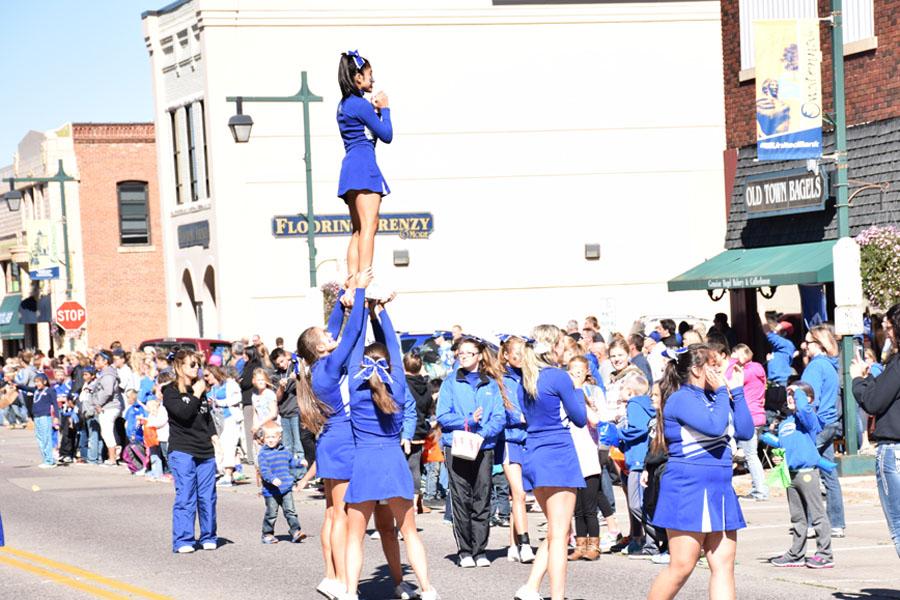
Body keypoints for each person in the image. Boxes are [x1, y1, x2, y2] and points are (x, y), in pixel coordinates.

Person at [343, 301, 438, 600]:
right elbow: (394, 346)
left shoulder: (357, 389)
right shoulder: (398, 384)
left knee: (355, 536)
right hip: (393, 461)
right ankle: (426, 588)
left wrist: (358, 307)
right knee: (409, 532)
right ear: (389, 364)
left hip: (365, 462)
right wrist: (380, 312)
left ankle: (348, 591)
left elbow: (355, 341)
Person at [647, 345, 753, 600]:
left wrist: (736, 391)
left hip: (720, 488)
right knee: (682, 566)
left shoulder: (715, 397)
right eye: (713, 364)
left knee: (724, 566)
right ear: (696, 369)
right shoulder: (681, 398)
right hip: (688, 488)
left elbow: (746, 432)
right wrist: (720, 393)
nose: (720, 369)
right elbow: (715, 427)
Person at [296, 269, 371, 600]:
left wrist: (344, 295)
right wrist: (362, 295)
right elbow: (352, 333)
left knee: (330, 511)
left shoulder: (315, 367)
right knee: (340, 513)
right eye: (325, 336)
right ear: (319, 347)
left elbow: (338, 327)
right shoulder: (327, 366)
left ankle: (330, 575)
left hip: (330, 440)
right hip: (342, 440)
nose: (330, 335)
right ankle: (341, 578)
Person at [514, 325, 587, 600]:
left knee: (557, 529)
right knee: (560, 535)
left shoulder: (526, 377)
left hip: (534, 452)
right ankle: (557, 596)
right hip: (558, 454)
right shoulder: (558, 377)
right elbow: (579, 418)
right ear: (554, 347)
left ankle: (531, 587)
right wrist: (578, 389)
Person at [437, 337, 507, 568]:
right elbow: (443, 416)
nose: (464, 356)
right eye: (461, 353)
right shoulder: (450, 382)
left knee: (482, 497)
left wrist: (483, 433)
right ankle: (465, 550)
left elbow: (499, 417)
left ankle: (480, 550)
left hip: (483, 447)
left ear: (479, 356)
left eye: (469, 353)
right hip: (456, 446)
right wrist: (467, 421)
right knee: (460, 498)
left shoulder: (491, 384)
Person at [760, 382, 834, 568]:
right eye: (789, 394)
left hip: (807, 473)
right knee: (797, 518)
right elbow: (786, 447)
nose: (791, 397)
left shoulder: (809, 421)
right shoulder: (785, 423)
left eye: (795, 395)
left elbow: (805, 411)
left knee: (817, 515)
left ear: (807, 399)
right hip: (790, 474)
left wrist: (798, 393)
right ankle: (797, 554)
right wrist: (779, 459)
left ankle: (825, 554)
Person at [337, 51, 393, 282]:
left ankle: (352, 278)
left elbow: (368, 134)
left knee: (358, 230)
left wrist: (375, 113)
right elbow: (386, 135)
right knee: (370, 226)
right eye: (369, 75)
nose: (372, 80)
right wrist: (386, 109)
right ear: (357, 77)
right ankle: (364, 280)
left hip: (350, 168)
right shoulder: (360, 105)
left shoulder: (345, 105)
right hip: (364, 167)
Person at [851, 304, 900, 558]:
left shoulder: (898, 363)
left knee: (899, 528)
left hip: (894, 450)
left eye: (889, 327)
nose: (885, 332)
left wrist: (857, 379)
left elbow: (873, 402)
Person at [162, 349, 216, 554]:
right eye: (192, 365)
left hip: (205, 450)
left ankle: (208, 535)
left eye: (198, 365)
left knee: (207, 496)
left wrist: (215, 438)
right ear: (179, 367)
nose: (197, 369)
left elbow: (206, 417)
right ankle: (183, 539)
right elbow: (184, 414)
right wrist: (197, 393)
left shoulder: (200, 390)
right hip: (183, 449)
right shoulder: (170, 391)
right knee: (186, 495)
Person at [801, 324, 846, 537]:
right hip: (830, 422)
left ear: (818, 345)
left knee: (805, 471)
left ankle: (812, 523)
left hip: (817, 424)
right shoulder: (830, 365)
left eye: (808, 342)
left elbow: (809, 399)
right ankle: (836, 523)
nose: (804, 346)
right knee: (829, 473)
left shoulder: (815, 367)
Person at [498, 336, 534, 564]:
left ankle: (512, 543)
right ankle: (526, 543)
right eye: (516, 354)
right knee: (519, 493)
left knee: (518, 496)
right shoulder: (500, 379)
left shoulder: (530, 376)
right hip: (510, 439)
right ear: (506, 355)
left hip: (528, 438)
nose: (520, 358)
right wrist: (523, 417)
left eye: (523, 353)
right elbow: (504, 409)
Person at [617, 371, 660, 558]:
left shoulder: (634, 404)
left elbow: (638, 429)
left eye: (622, 387)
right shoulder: (646, 405)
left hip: (638, 460)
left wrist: (618, 433)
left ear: (630, 391)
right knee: (643, 503)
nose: (619, 391)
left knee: (636, 504)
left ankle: (657, 538)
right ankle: (653, 543)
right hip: (641, 458)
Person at [565, 356, 603, 562]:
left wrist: (584, 401)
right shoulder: (566, 402)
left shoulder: (588, 398)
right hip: (573, 461)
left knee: (589, 508)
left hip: (588, 461)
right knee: (577, 508)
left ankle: (594, 545)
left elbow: (596, 420)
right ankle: (580, 544)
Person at [731, 344, 769, 501]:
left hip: (749, 417)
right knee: (750, 454)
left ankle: (760, 490)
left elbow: (730, 380)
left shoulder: (747, 371)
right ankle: (759, 489)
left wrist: (732, 363)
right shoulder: (758, 369)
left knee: (750, 455)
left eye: (734, 354)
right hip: (758, 415)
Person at [257, 423, 305, 544]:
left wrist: (300, 462)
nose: (271, 440)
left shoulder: (285, 451)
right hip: (271, 490)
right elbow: (264, 471)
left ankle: (296, 532)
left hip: (286, 487)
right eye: (268, 437)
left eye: (273, 437)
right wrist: (272, 479)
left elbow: (291, 462)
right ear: (263, 439)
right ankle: (267, 534)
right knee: (271, 514)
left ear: (279, 438)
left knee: (290, 511)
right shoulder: (263, 454)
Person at [404, 350, 433, 514]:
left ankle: (405, 500)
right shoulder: (426, 386)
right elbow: (428, 407)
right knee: (416, 469)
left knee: (403, 467)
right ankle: (415, 503)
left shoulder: (403, 384)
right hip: (421, 429)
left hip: (405, 431)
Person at [205, 365, 243, 486]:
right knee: (220, 446)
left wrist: (218, 402)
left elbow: (237, 398)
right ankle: (226, 474)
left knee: (229, 446)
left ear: (214, 372)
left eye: (207, 375)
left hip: (230, 418)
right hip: (218, 421)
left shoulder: (229, 384)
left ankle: (228, 474)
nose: (206, 378)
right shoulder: (211, 389)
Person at [273, 348, 305, 481]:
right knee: (287, 446)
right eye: (278, 364)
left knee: (298, 445)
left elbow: (305, 378)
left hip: (297, 411)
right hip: (284, 413)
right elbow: (277, 398)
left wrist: (296, 376)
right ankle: (291, 474)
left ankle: (302, 475)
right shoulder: (275, 376)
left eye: (282, 361)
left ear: (286, 357)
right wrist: (281, 387)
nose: (281, 365)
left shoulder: (295, 367)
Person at [94, 350, 122, 465]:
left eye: (97, 360)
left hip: (109, 407)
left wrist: (99, 403)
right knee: (109, 431)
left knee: (107, 432)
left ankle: (112, 458)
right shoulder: (105, 373)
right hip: (108, 406)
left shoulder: (108, 374)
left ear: (105, 361)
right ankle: (114, 455)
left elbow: (108, 392)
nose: (95, 362)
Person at [765, 320, 796, 420]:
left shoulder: (785, 344)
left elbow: (769, 335)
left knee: (778, 409)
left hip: (780, 382)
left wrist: (761, 315)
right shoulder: (779, 350)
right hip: (775, 382)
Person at [238, 344, 262, 465]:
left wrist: (241, 381)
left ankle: (252, 457)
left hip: (250, 401)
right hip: (252, 400)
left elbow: (246, 383)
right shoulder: (254, 366)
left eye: (244, 354)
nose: (242, 356)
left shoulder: (251, 367)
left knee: (250, 429)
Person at [30, 373, 57, 468]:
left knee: (46, 438)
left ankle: (50, 460)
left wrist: (56, 417)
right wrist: (16, 385)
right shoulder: (36, 391)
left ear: (44, 382)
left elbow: (55, 404)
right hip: (36, 416)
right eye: (36, 382)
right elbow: (25, 388)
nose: (37, 384)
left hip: (45, 416)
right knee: (40, 438)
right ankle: (45, 459)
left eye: (39, 382)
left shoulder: (50, 391)